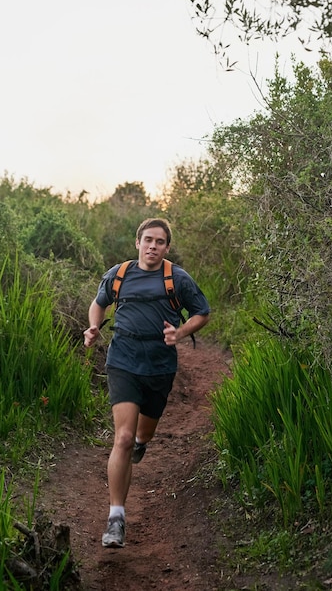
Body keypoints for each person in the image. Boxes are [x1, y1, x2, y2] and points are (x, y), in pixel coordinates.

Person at [83, 218, 210, 548]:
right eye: (148, 240)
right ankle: (116, 518)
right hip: (123, 358)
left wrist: (180, 333)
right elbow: (99, 304)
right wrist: (93, 327)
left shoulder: (177, 279)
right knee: (122, 437)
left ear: (167, 247)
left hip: (159, 364)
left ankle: (143, 440)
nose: (153, 246)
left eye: (160, 242)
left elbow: (202, 313)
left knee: (143, 433)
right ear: (137, 242)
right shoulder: (119, 274)